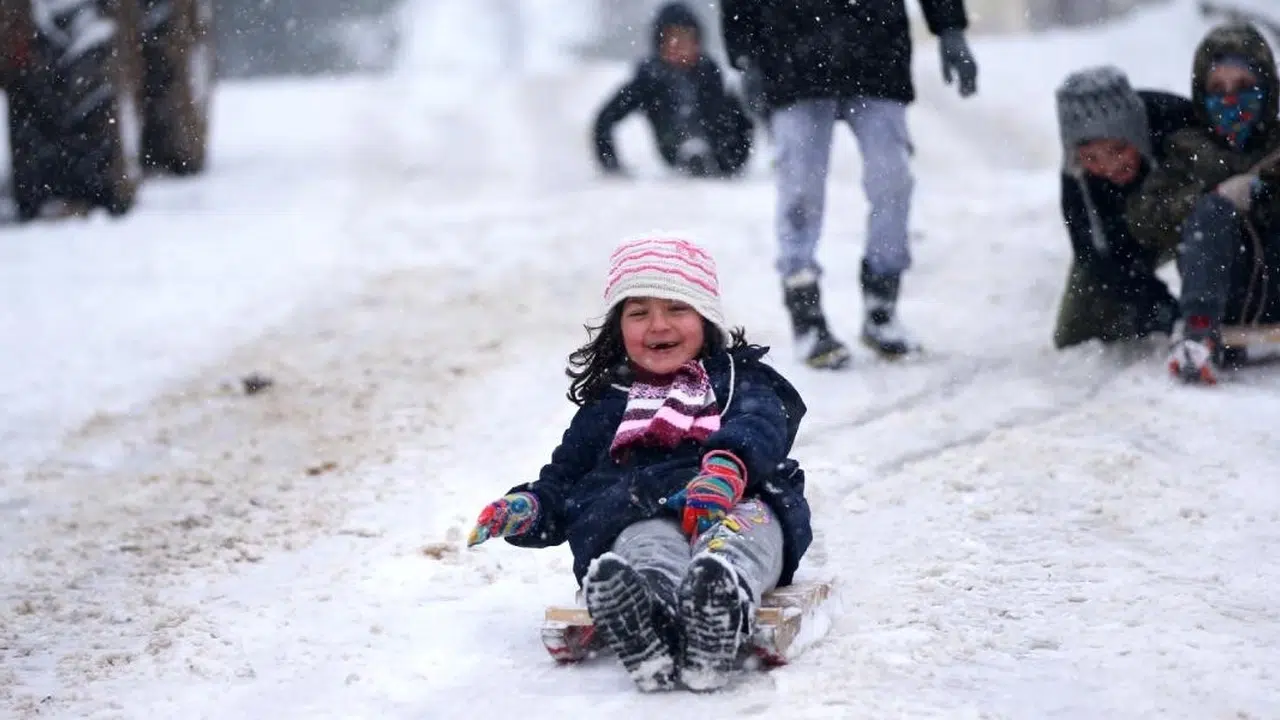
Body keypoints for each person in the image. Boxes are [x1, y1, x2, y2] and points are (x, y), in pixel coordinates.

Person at [466, 236, 813, 692]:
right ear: (618, 328)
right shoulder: (607, 405)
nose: (658, 325)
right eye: (638, 313)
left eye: (676, 308)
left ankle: (719, 604)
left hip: (735, 501)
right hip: (641, 510)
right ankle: (646, 616)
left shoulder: (736, 381)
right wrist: (528, 507)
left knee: (738, 540)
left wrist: (727, 468)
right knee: (645, 546)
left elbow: (761, 423)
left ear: (706, 319)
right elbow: (565, 481)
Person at [719, 0, 978, 369]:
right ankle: (806, 313)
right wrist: (745, 56)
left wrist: (950, 27)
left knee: (893, 182)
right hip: (791, 57)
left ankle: (881, 305)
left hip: (877, 51)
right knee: (800, 193)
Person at [1128, 23, 1280, 384]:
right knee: (1212, 213)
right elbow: (1144, 219)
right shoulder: (1187, 150)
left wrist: (1267, 191)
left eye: (1244, 88)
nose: (1231, 100)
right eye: (1218, 90)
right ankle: (1198, 337)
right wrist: (1210, 199)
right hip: (1222, 293)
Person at [1052, 66, 1197, 350]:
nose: (1109, 167)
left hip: (1189, 220)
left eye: (1119, 149)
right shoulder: (1077, 177)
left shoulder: (1178, 122)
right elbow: (1093, 253)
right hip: (1128, 238)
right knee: (1074, 335)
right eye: (1091, 157)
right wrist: (1154, 303)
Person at [592, 2, 754, 178]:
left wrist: (734, 159)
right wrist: (611, 165)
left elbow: (740, 122)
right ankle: (690, 149)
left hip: (720, 155)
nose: (680, 46)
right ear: (659, 43)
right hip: (672, 146)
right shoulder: (649, 79)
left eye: (686, 39)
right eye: (672, 39)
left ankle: (702, 151)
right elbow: (606, 119)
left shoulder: (710, 73)